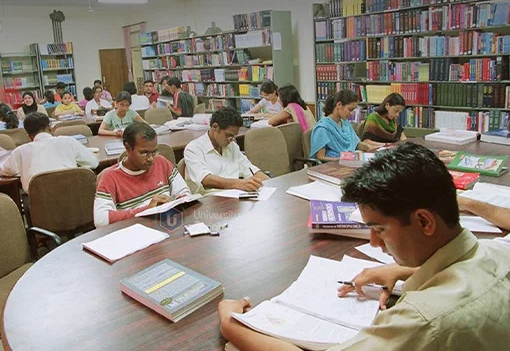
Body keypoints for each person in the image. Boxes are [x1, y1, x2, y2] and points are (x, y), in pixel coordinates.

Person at [218, 143, 510, 351]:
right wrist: (407, 269)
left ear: (424, 221)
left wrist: (232, 324)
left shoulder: (423, 319)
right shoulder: (500, 252)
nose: (374, 242)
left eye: (380, 229)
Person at [94, 122, 191, 227]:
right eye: (144, 153)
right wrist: (147, 210)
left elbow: (184, 192)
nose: (150, 158)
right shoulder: (110, 177)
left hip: (167, 225)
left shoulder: (161, 162)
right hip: (136, 232)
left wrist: (175, 202)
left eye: (154, 152)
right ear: (128, 148)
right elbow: (100, 220)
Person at [0, 112, 99, 192]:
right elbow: (93, 163)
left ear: (28, 135)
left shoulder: (20, 151)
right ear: (50, 128)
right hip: (74, 201)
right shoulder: (68, 141)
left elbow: (3, 170)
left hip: (40, 209)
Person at [184, 107, 269, 194]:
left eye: (234, 136)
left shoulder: (233, 147)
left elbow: (251, 170)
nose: (231, 139)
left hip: (235, 197)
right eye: (228, 135)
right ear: (215, 127)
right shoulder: (193, 148)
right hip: (208, 200)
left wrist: (272, 183)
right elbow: (205, 179)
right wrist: (238, 184)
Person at [310, 90, 376, 162]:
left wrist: (371, 148)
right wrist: (342, 160)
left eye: (353, 110)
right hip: (333, 165)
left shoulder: (345, 123)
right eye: (350, 109)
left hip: (349, 161)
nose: (351, 113)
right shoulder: (322, 128)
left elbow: (356, 143)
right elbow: (320, 157)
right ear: (339, 105)